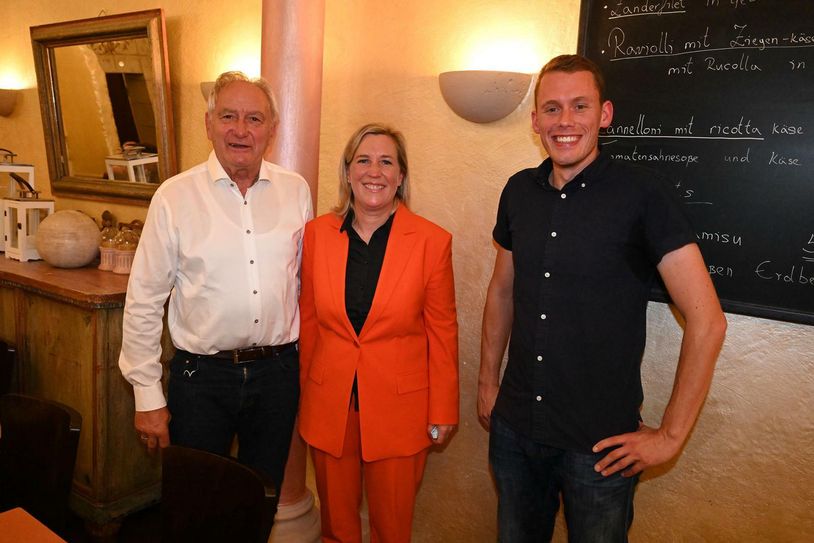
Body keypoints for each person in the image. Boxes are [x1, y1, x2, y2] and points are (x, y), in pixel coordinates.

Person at [478, 55, 727, 542]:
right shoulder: (518, 191)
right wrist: (487, 382)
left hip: (600, 448)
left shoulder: (643, 195)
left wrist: (670, 436)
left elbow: (708, 321)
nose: (565, 121)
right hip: (516, 431)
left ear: (605, 114)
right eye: (552, 109)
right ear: (535, 121)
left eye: (580, 106)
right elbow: (502, 290)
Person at [118, 71, 313, 489]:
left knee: (261, 500)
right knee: (195, 504)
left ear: (272, 129)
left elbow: (302, 286)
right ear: (208, 124)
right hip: (201, 380)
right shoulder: (174, 196)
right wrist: (147, 395)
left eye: (254, 118)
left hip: (277, 377)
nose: (240, 130)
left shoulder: (296, 191)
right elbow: (144, 299)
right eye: (228, 116)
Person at [298, 123, 459, 542]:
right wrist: (304, 396)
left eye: (386, 162)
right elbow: (309, 321)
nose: (375, 171)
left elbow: (443, 333)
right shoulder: (316, 235)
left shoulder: (431, 242)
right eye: (363, 160)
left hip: (400, 410)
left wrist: (443, 409)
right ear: (348, 171)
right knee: (336, 528)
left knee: (392, 529)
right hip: (330, 405)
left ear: (401, 175)